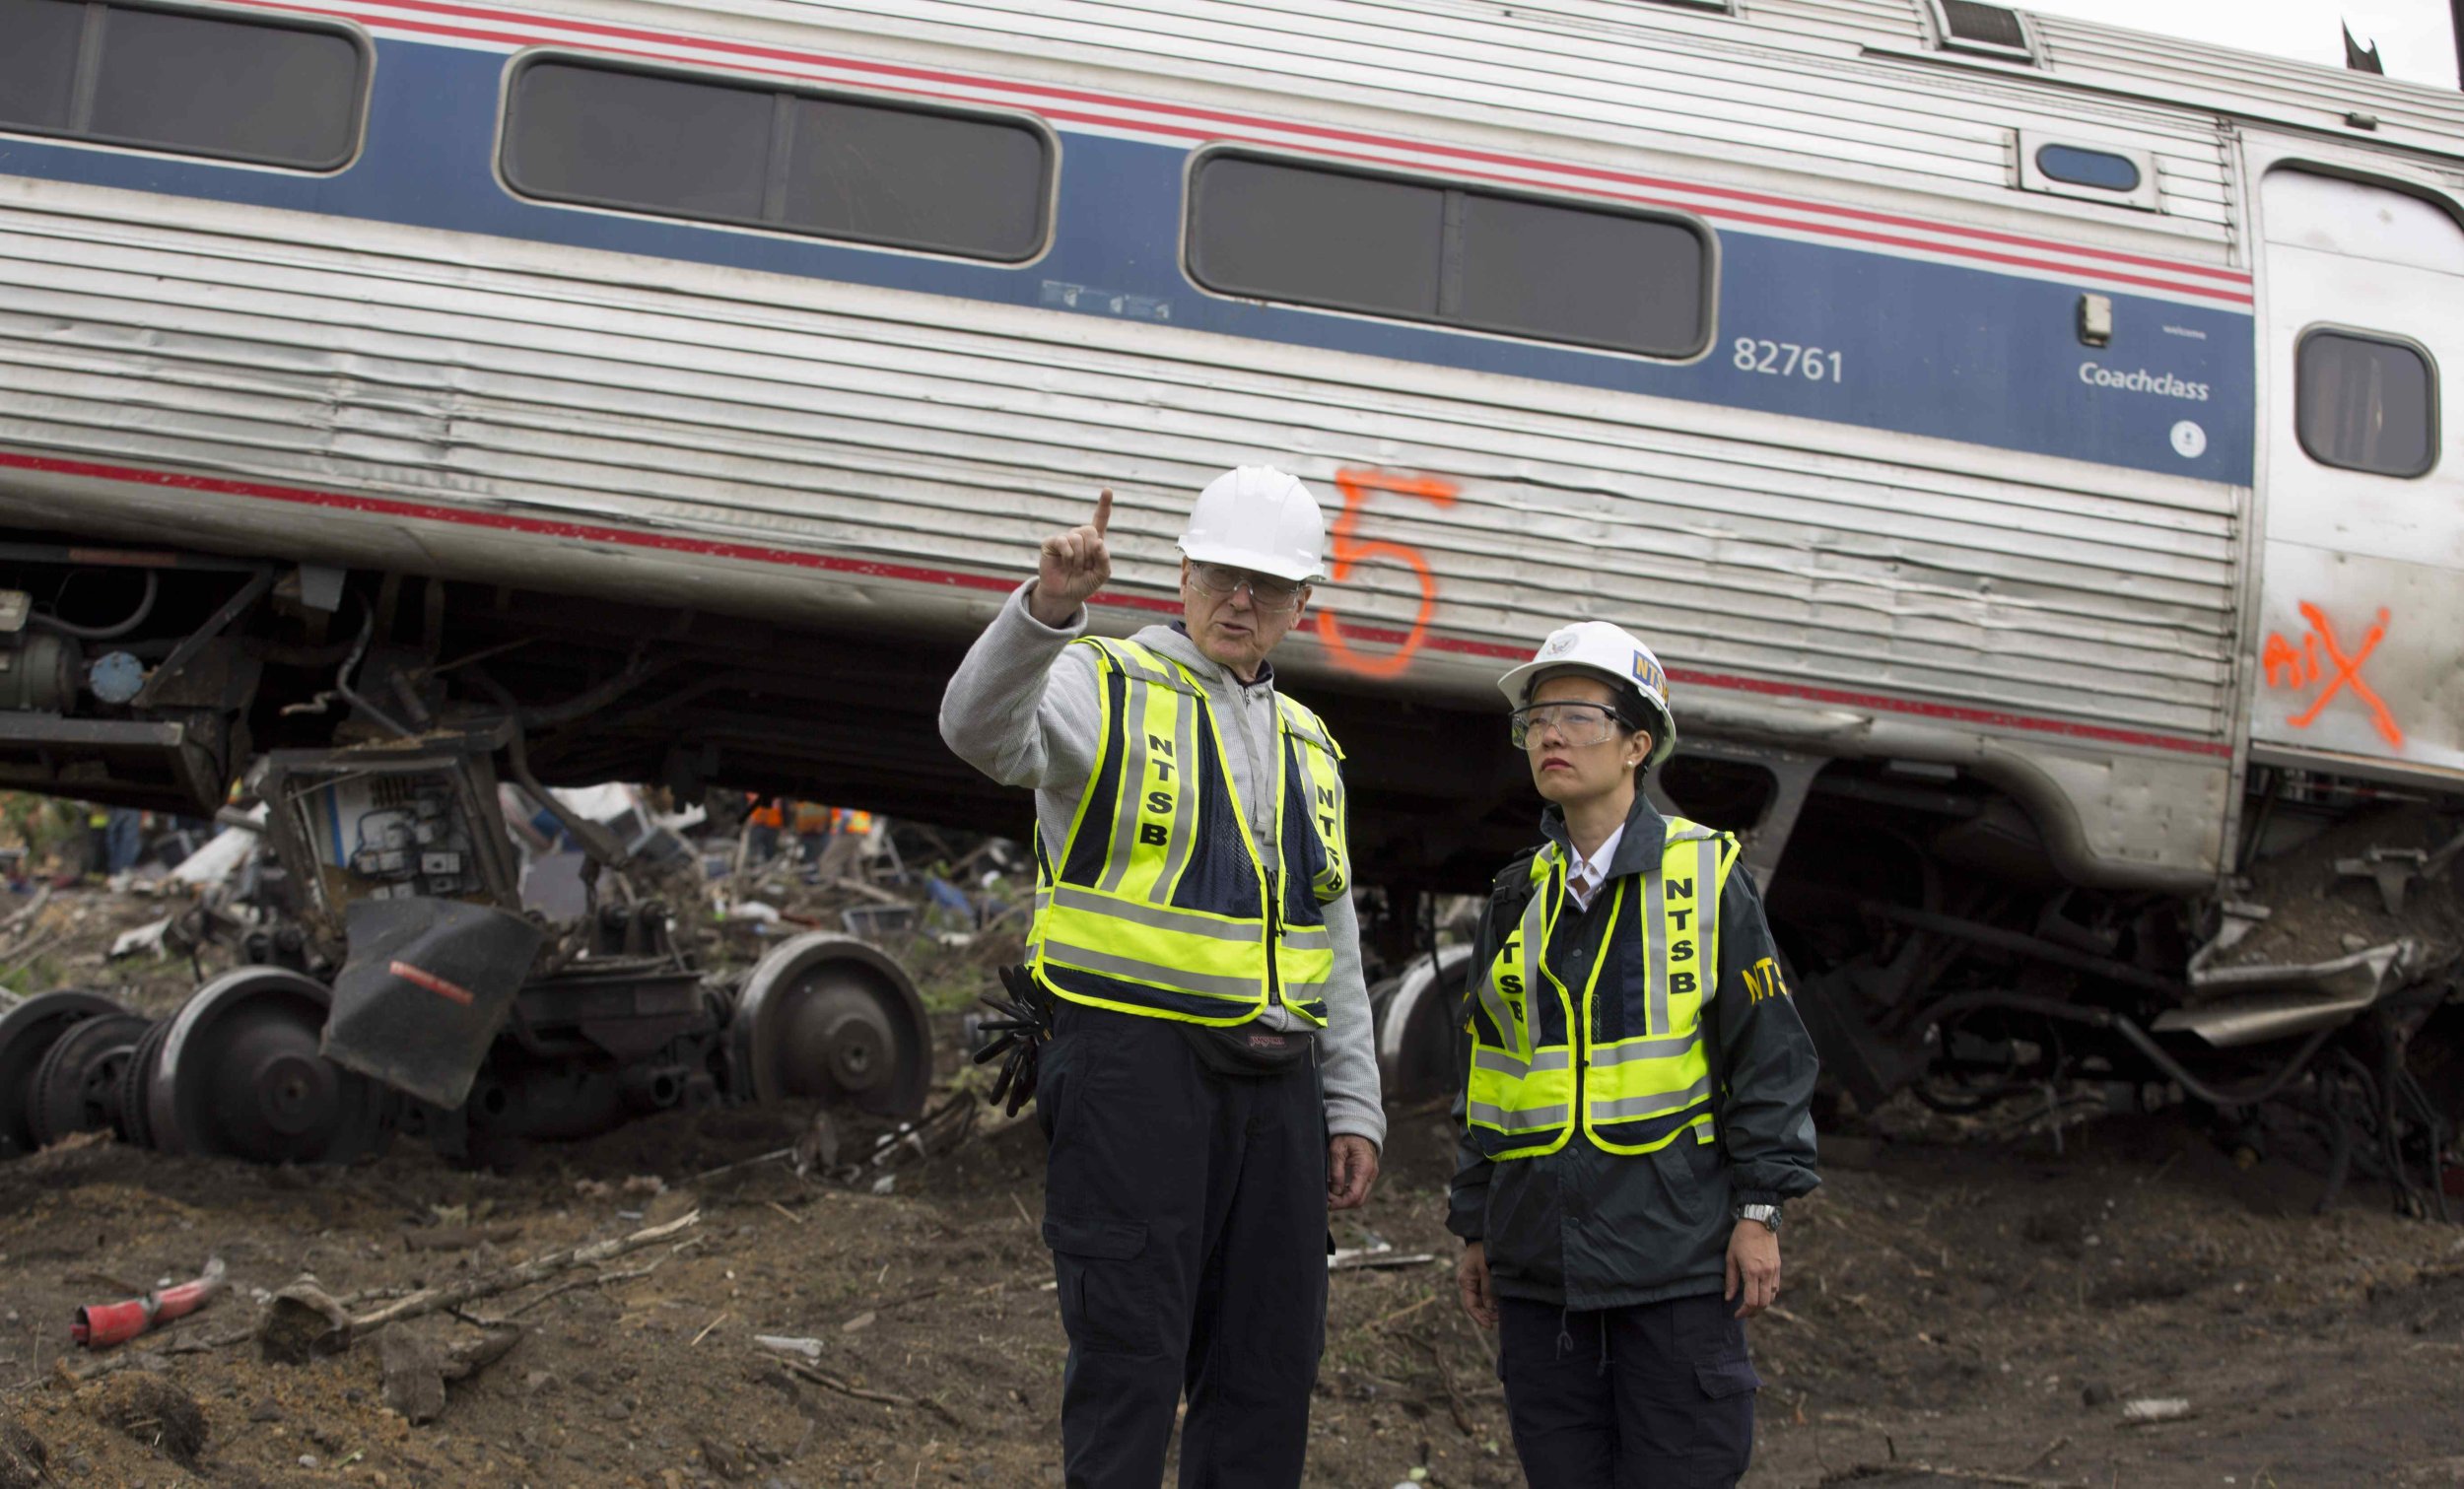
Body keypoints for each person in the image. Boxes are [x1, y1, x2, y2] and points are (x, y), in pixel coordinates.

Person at [940, 468, 1384, 1488]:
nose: (1242, 600)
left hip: (1276, 1087)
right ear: (1181, 575)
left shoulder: (1310, 744)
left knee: (1268, 1367)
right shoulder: (1101, 685)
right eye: (1224, 575)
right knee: (1129, 1362)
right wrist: (1048, 609)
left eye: (1269, 586)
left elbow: (1334, 936)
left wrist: (1351, 1099)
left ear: (1301, 605)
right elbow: (973, 728)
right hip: (1133, 1070)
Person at [1449, 621, 1820, 1489]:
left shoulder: (1706, 877)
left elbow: (1771, 1055)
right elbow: (1492, 1078)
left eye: (1577, 715)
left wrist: (1761, 1210)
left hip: (1674, 1265)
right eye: (1536, 719)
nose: (1548, 734)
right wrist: (1474, 1223)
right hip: (1544, 1273)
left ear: (1637, 743)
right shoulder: (1516, 898)